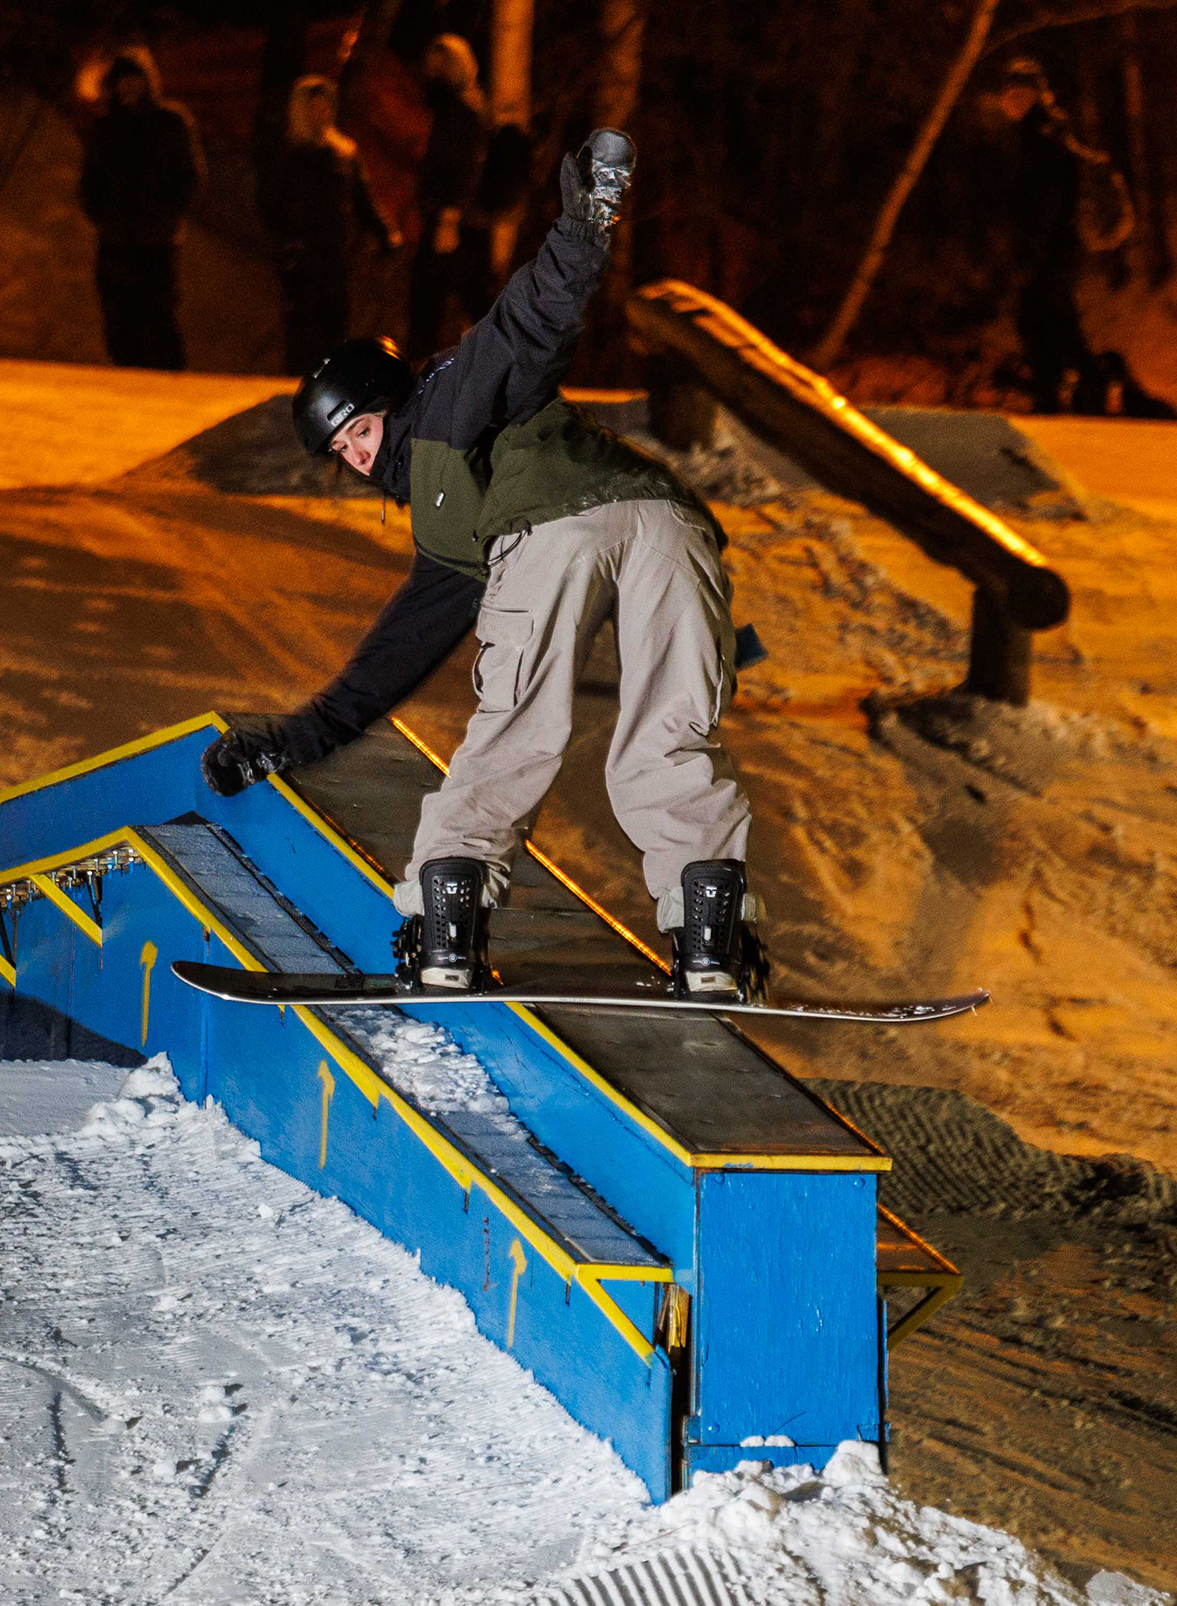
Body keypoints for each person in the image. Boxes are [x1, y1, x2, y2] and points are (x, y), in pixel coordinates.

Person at [202, 133, 767, 1002]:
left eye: (361, 429)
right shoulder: (446, 520)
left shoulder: (448, 399)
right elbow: (399, 647)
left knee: (513, 731)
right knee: (670, 737)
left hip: (557, 529)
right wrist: (298, 738)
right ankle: (711, 942)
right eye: (342, 448)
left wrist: (583, 228)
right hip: (671, 523)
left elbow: (526, 323)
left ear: (393, 398)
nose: (358, 456)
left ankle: (447, 932)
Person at [258, 75, 397, 377]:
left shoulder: (344, 153)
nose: (320, 114)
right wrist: (284, 245)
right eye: (312, 108)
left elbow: (363, 199)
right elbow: (271, 205)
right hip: (300, 255)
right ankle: (298, 387)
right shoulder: (286, 154)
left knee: (335, 324)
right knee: (302, 329)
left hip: (336, 253)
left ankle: (332, 388)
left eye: (324, 107)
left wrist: (385, 233)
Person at [78, 47, 203, 370]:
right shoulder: (106, 128)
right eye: (122, 81)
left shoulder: (170, 122)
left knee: (158, 316)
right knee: (119, 319)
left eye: (135, 80)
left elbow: (189, 176)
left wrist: (167, 212)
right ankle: (128, 382)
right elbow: (89, 180)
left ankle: (168, 382)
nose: (129, 88)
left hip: (155, 241)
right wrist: (100, 215)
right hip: (116, 240)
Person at [996, 55, 1102, 416]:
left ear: (1034, 95)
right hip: (1055, 250)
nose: (1007, 100)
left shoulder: (1042, 138)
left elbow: (1045, 203)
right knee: (1055, 321)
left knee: (1039, 321)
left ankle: (1061, 394)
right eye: (1005, 92)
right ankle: (1079, 389)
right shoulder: (1042, 133)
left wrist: (1031, 255)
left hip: (1052, 251)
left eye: (1015, 92)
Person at [406, 33, 492, 361]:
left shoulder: (461, 112)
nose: (433, 73)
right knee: (454, 296)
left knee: (437, 295)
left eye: (442, 67)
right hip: (453, 217)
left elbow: (464, 167)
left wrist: (450, 214)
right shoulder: (452, 110)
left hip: (454, 220)